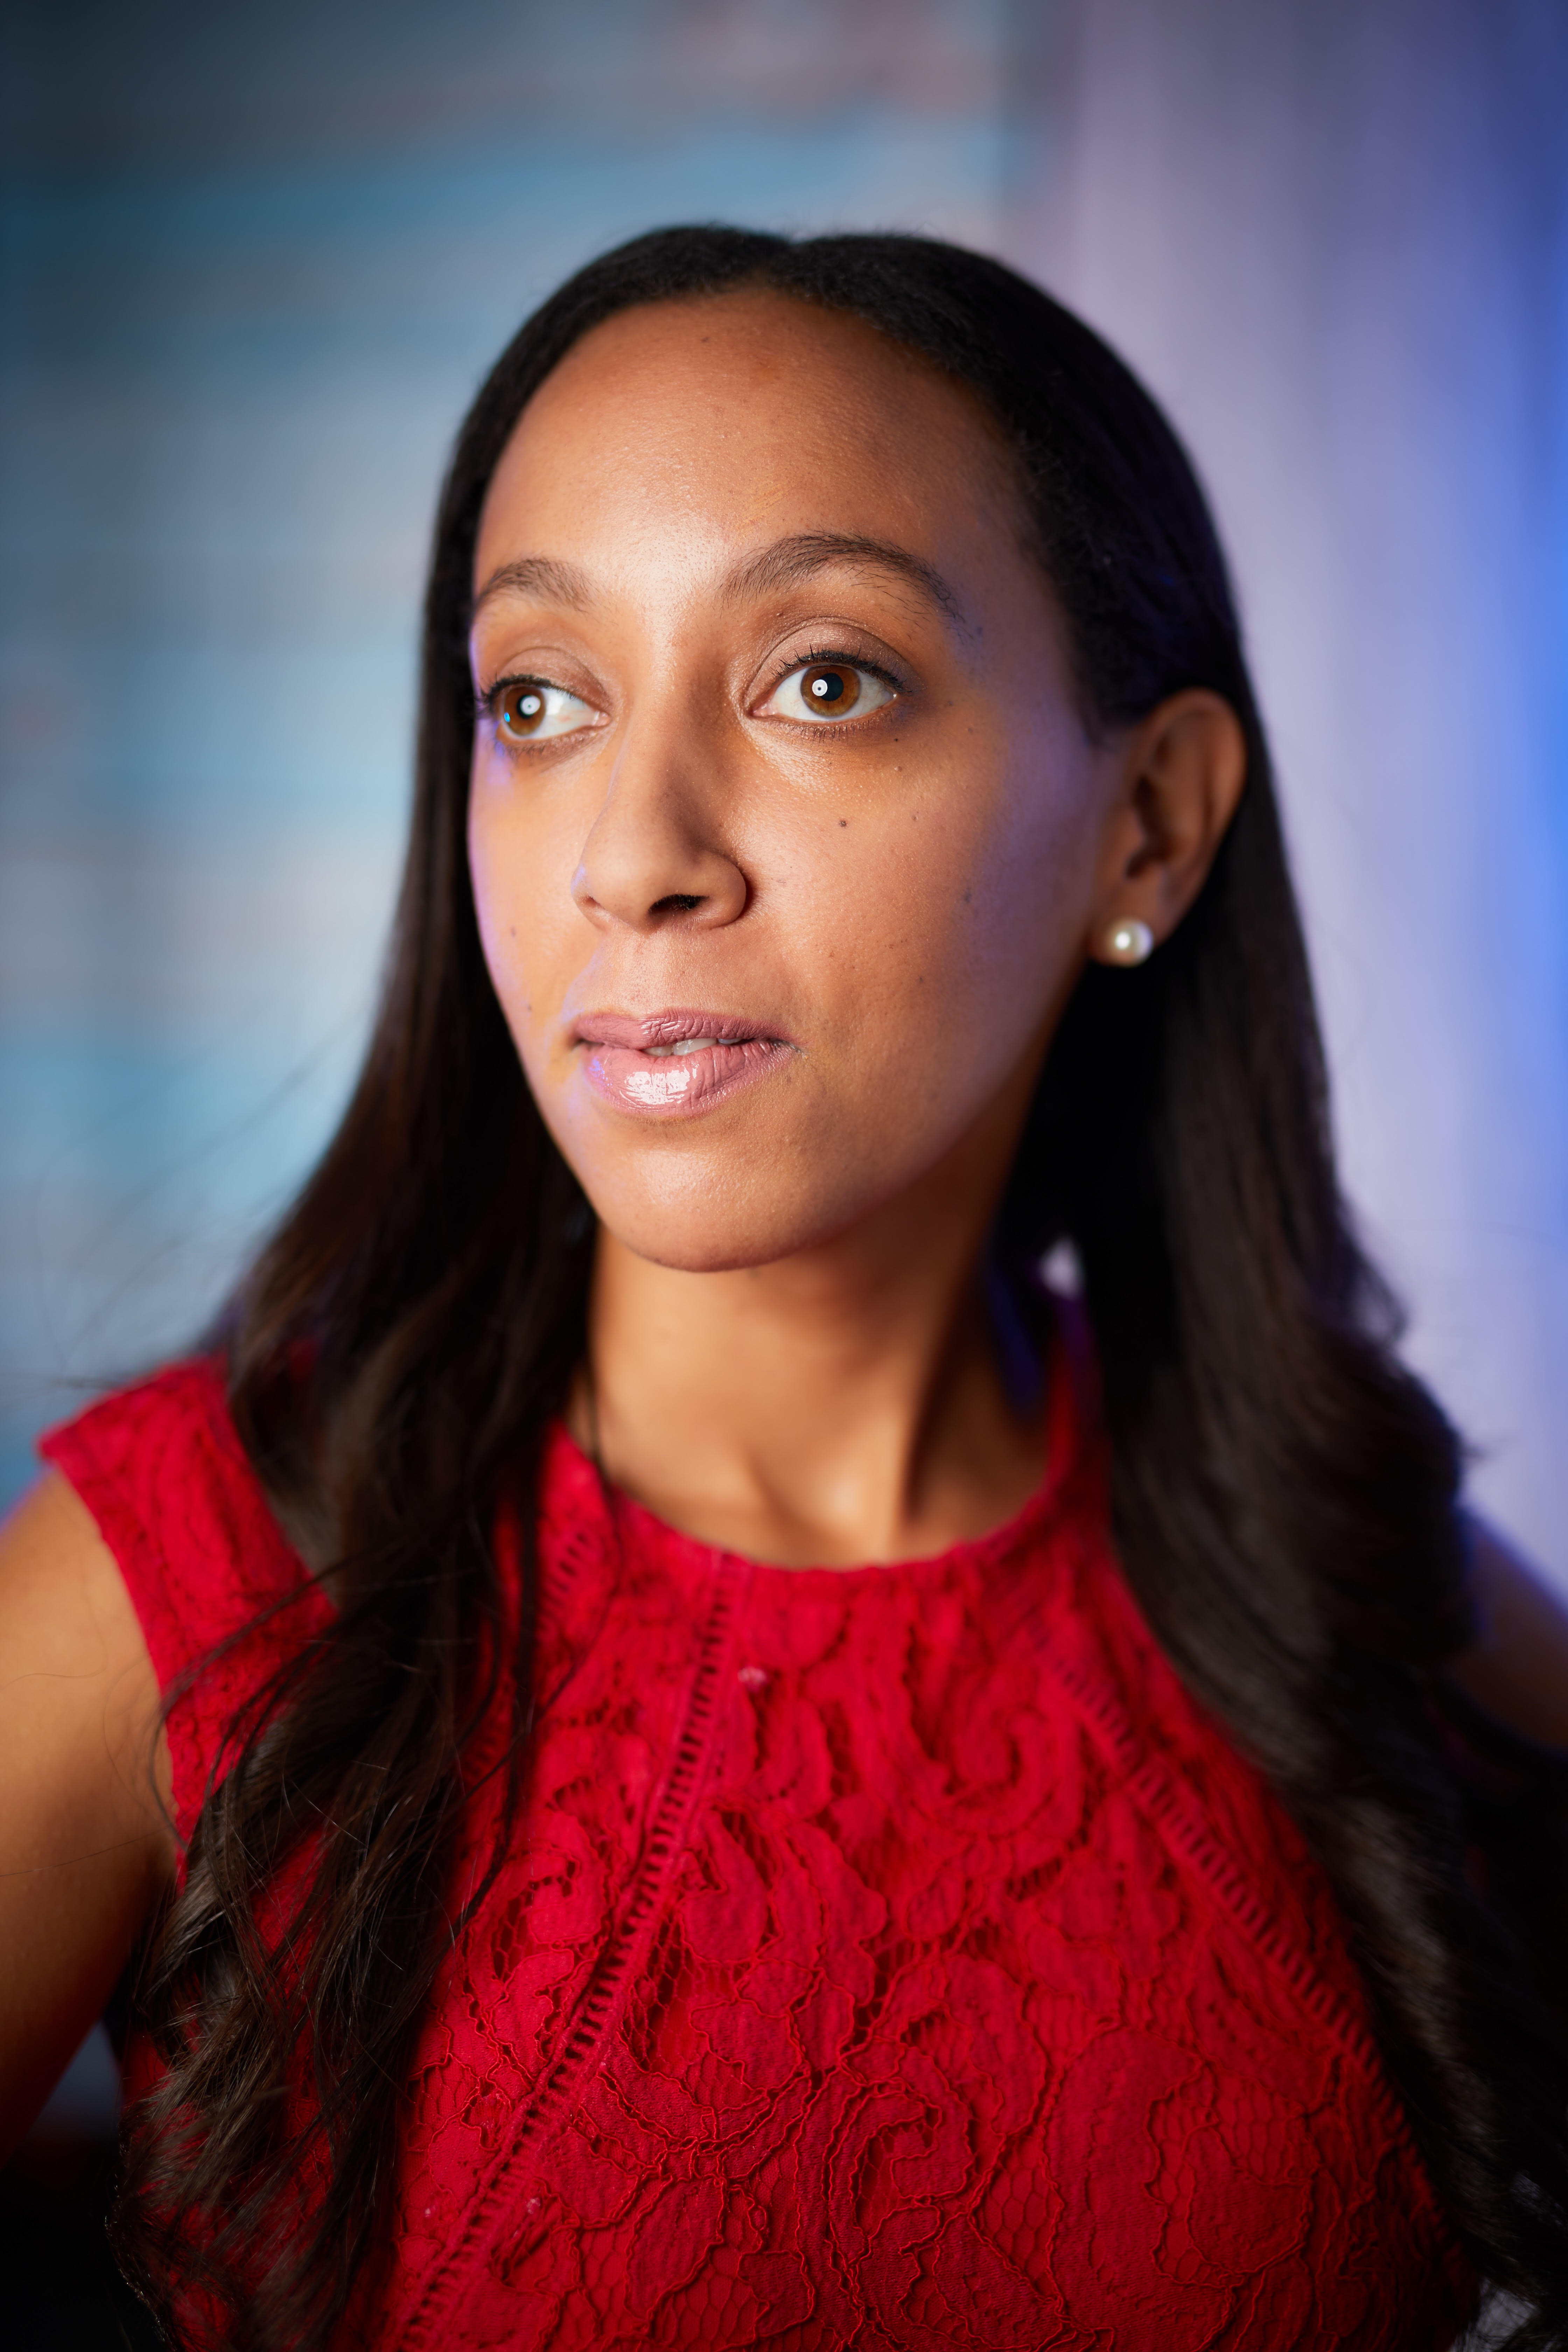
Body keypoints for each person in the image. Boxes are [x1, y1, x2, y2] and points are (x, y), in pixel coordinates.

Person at [1, 225, 1566, 2352]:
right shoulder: (174, 1585)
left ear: (1151, 827)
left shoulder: (1368, 1595)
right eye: (536, 701)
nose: (632, 848)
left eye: (823, 678)